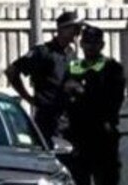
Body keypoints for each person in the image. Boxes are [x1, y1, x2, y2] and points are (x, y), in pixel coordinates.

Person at [62, 25, 126, 185]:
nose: (90, 47)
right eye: (86, 43)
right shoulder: (73, 66)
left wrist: (83, 93)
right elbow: (66, 93)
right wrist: (80, 93)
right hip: (79, 138)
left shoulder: (111, 68)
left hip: (103, 138)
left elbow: (111, 100)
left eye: (94, 43)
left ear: (101, 45)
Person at [5, 11, 82, 143]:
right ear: (62, 29)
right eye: (75, 28)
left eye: (78, 29)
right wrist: (27, 97)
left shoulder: (72, 54)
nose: (77, 32)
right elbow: (12, 71)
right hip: (47, 120)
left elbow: (76, 81)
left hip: (68, 120)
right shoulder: (43, 52)